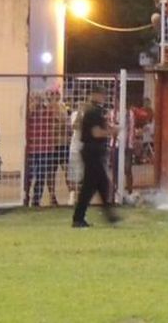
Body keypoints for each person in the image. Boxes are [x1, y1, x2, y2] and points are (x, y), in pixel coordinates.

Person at [72, 85, 120, 228]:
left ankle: (109, 216)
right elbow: (96, 133)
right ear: (95, 95)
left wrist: (110, 130)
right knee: (90, 186)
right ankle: (79, 218)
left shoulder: (93, 111)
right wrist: (112, 132)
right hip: (92, 152)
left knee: (101, 184)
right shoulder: (93, 112)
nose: (104, 98)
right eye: (102, 95)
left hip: (92, 152)